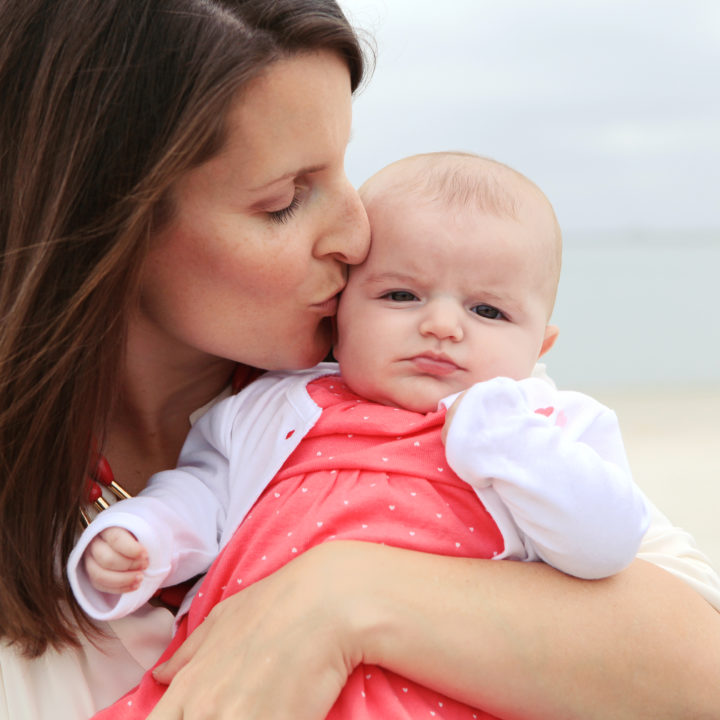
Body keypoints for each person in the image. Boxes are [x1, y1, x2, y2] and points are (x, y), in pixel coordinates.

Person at [1, 1, 719, 720]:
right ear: (105, 226)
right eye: (284, 201)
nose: (356, 230)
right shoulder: (264, 423)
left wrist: (346, 598)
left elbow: (698, 662)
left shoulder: (438, 402)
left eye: (347, 166)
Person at [68, 152, 654, 718]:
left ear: (540, 347)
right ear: (340, 315)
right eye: (401, 295)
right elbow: (204, 494)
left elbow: (607, 545)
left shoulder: (545, 423)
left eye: (489, 312)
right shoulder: (276, 404)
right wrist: (146, 536)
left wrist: (510, 442)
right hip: (244, 686)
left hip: (437, 696)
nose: (442, 325)